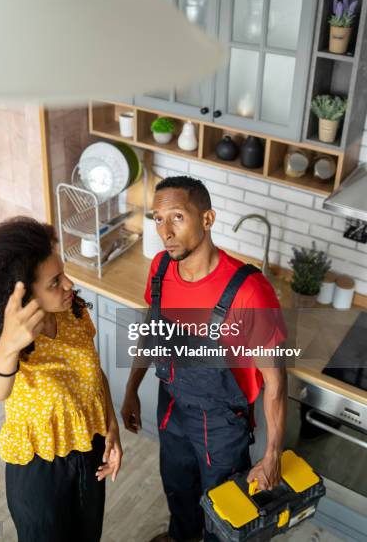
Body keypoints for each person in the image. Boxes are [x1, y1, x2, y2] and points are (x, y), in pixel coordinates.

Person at [120, 176, 287, 542]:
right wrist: (132, 388)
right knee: (178, 491)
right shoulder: (161, 269)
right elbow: (152, 330)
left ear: (207, 219)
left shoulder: (248, 290)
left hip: (222, 424)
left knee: (224, 509)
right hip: (172, 405)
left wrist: (272, 452)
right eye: (158, 219)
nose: (166, 231)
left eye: (177, 217)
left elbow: (275, 382)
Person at [0, 216, 122, 542]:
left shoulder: (73, 313)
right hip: (39, 469)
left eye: (63, 274)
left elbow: (93, 375)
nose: (69, 285)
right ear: (24, 294)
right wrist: (10, 345)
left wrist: (111, 427)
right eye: (55, 282)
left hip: (89, 451)